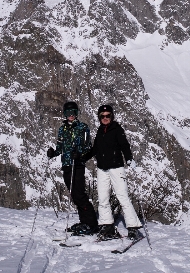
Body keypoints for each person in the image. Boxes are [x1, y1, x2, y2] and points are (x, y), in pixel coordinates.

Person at [81, 104, 142, 240]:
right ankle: (107, 225)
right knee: (102, 199)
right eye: (102, 116)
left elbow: (124, 145)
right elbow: (95, 149)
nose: (105, 118)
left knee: (122, 197)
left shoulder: (117, 129)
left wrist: (129, 159)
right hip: (102, 169)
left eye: (108, 115)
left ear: (112, 116)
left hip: (116, 168)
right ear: (99, 117)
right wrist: (83, 158)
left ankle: (133, 227)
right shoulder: (100, 131)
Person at [47, 101, 98, 235]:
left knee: (79, 194)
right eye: (68, 113)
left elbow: (88, 146)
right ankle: (84, 221)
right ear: (65, 114)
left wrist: (79, 153)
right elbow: (60, 147)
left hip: (78, 164)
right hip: (67, 165)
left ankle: (91, 223)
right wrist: (54, 153)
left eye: (73, 113)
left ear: (76, 113)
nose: (71, 115)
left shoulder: (83, 127)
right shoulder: (62, 129)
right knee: (74, 195)